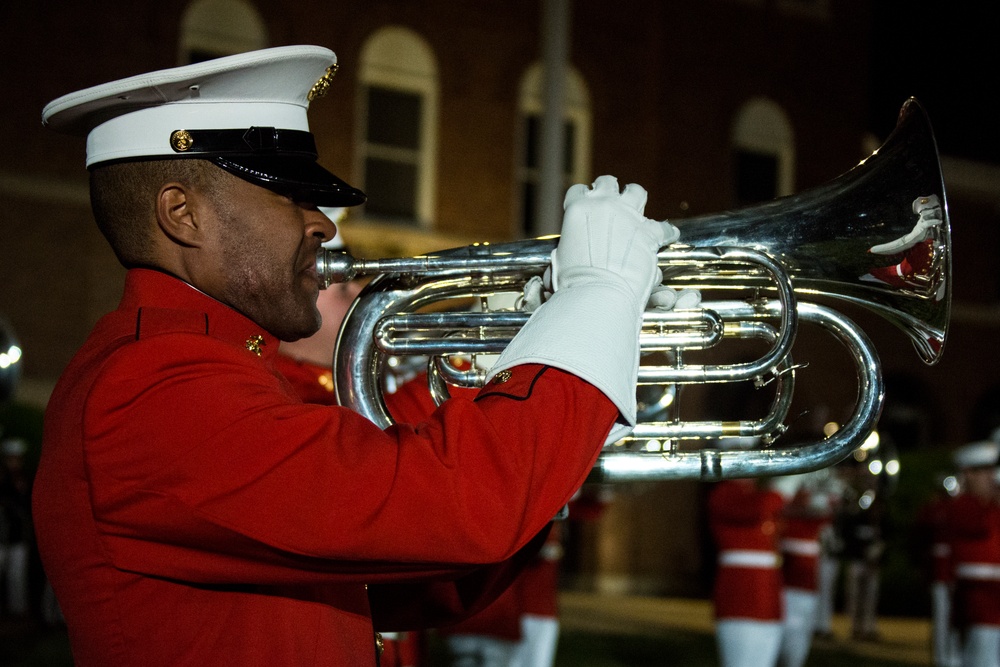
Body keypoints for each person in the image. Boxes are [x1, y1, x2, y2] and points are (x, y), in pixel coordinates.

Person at [31, 45, 684, 666]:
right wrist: (594, 300)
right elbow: (458, 506)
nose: (321, 224)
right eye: (290, 195)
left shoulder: (215, 368)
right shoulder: (152, 387)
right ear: (183, 214)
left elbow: (408, 582)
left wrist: (526, 366)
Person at [708, 459, 786, 667]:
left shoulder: (758, 494)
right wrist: (781, 490)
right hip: (741, 596)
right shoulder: (724, 494)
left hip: (768, 597)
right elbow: (756, 509)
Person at [946, 440, 1000, 667]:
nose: (991, 478)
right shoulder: (963, 507)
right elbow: (977, 527)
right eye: (984, 472)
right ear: (968, 474)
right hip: (980, 605)